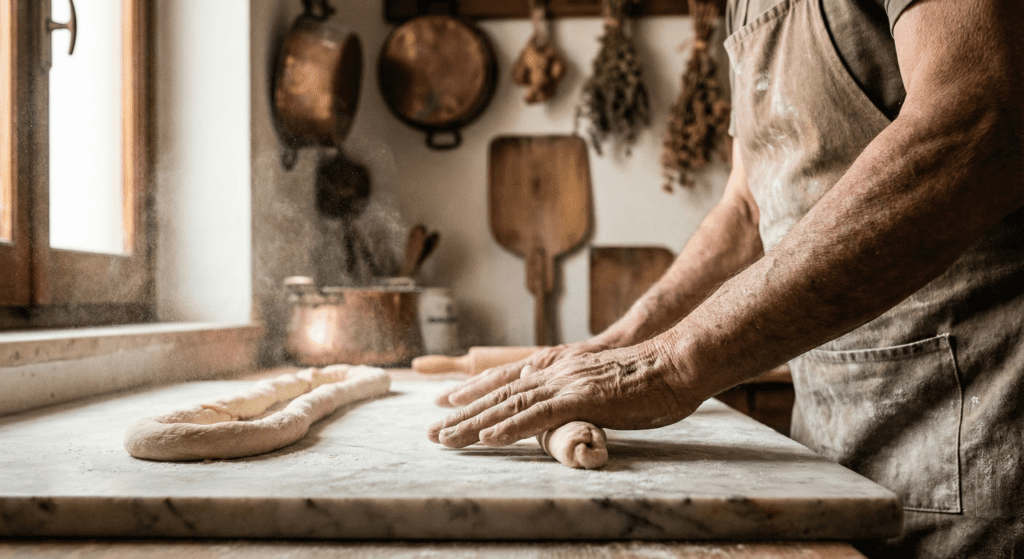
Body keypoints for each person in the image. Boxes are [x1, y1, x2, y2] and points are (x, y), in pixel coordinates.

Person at [427, 0, 1024, 556]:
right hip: (829, 448)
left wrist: (666, 368)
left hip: (975, 428)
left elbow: (979, 117)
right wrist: (620, 344)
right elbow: (747, 209)